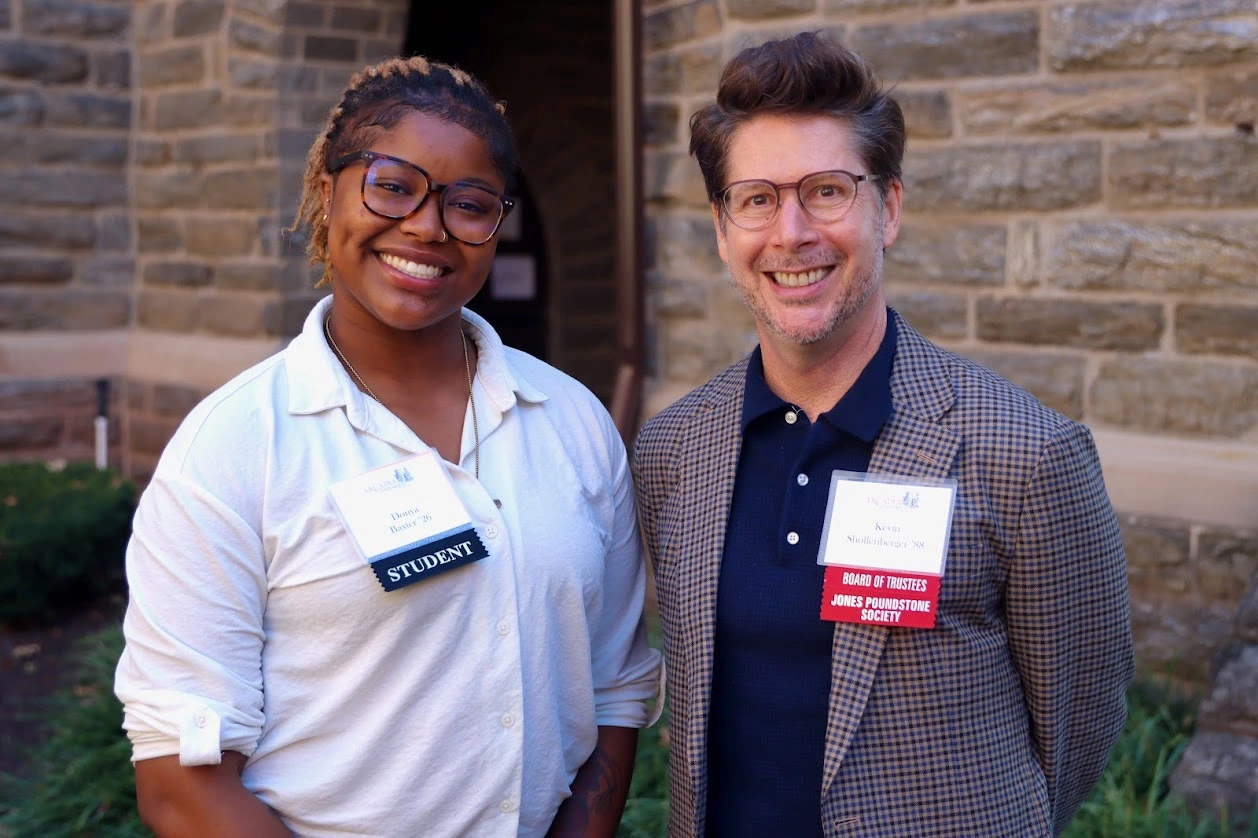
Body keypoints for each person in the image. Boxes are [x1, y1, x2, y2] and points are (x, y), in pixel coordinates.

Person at [115, 55, 660, 838]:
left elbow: (612, 686)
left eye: (469, 205)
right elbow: (180, 782)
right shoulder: (233, 449)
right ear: (326, 189)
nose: (427, 227)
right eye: (393, 186)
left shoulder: (573, 421)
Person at [633, 32, 1133, 837]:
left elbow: (1078, 726)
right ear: (724, 230)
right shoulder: (672, 452)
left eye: (827, 190)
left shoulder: (1024, 454)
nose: (792, 232)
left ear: (888, 207)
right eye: (757, 198)